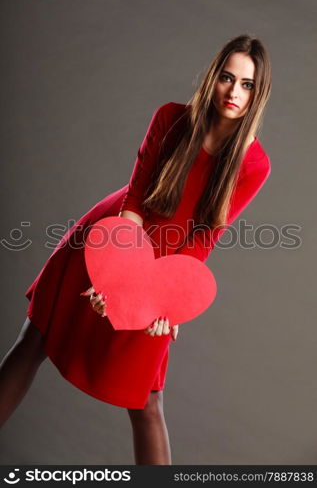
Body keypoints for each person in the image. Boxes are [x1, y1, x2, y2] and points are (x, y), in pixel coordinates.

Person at [0, 33, 272, 464]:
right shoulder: (170, 118)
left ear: (259, 94)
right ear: (213, 79)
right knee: (34, 339)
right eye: (227, 77)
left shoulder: (254, 165)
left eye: (247, 84)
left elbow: (204, 238)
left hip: (165, 269)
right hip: (111, 240)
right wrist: (113, 272)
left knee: (146, 402)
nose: (234, 92)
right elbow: (133, 201)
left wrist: (169, 302)